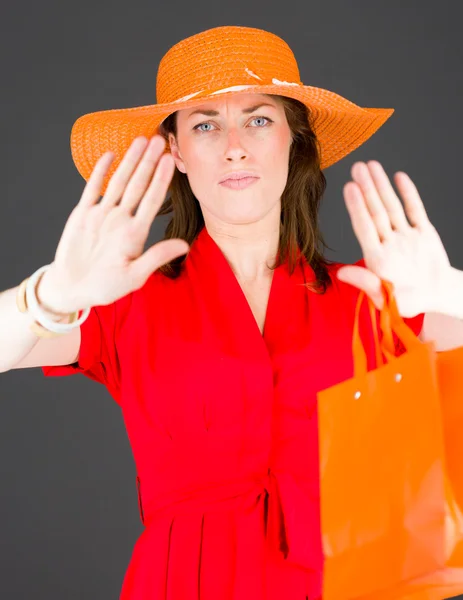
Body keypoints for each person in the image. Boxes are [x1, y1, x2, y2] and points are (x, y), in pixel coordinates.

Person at [1, 24, 463, 600]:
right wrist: (50, 296)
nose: (234, 144)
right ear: (177, 152)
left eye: (259, 118)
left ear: (294, 140)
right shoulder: (125, 301)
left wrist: (450, 292)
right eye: (205, 124)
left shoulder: (371, 298)